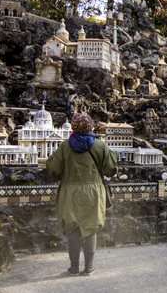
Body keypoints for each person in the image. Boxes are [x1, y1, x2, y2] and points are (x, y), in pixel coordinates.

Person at [47, 113, 117, 276]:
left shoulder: (65, 146)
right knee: (90, 227)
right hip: (93, 191)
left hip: (70, 191)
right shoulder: (99, 146)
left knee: (73, 228)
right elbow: (111, 169)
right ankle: (89, 267)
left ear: (73, 127)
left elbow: (54, 170)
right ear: (90, 126)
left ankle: (74, 267)